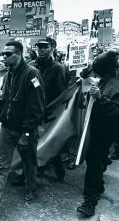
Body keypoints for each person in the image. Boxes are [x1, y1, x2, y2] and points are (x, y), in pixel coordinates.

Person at [0, 41, 45, 221]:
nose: (4, 56)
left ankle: (31, 188)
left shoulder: (33, 74)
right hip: (7, 127)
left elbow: (37, 107)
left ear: (20, 54)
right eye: (3, 54)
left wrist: (27, 132)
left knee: (28, 161)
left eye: (9, 54)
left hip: (25, 129)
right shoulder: (8, 74)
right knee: (0, 166)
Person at [11, 37, 67, 186]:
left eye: (44, 47)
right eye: (39, 47)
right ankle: (25, 174)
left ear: (52, 48)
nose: (41, 49)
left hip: (49, 111)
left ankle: (59, 168)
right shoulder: (30, 65)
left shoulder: (58, 68)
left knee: (48, 141)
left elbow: (62, 93)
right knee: (29, 145)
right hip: (32, 111)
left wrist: (54, 111)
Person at [76, 51, 119, 217]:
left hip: (106, 132)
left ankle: (90, 201)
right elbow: (86, 75)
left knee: (94, 163)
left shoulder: (116, 84)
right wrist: (81, 83)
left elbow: (116, 113)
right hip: (91, 127)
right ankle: (98, 183)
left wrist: (101, 98)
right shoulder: (98, 76)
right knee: (92, 161)